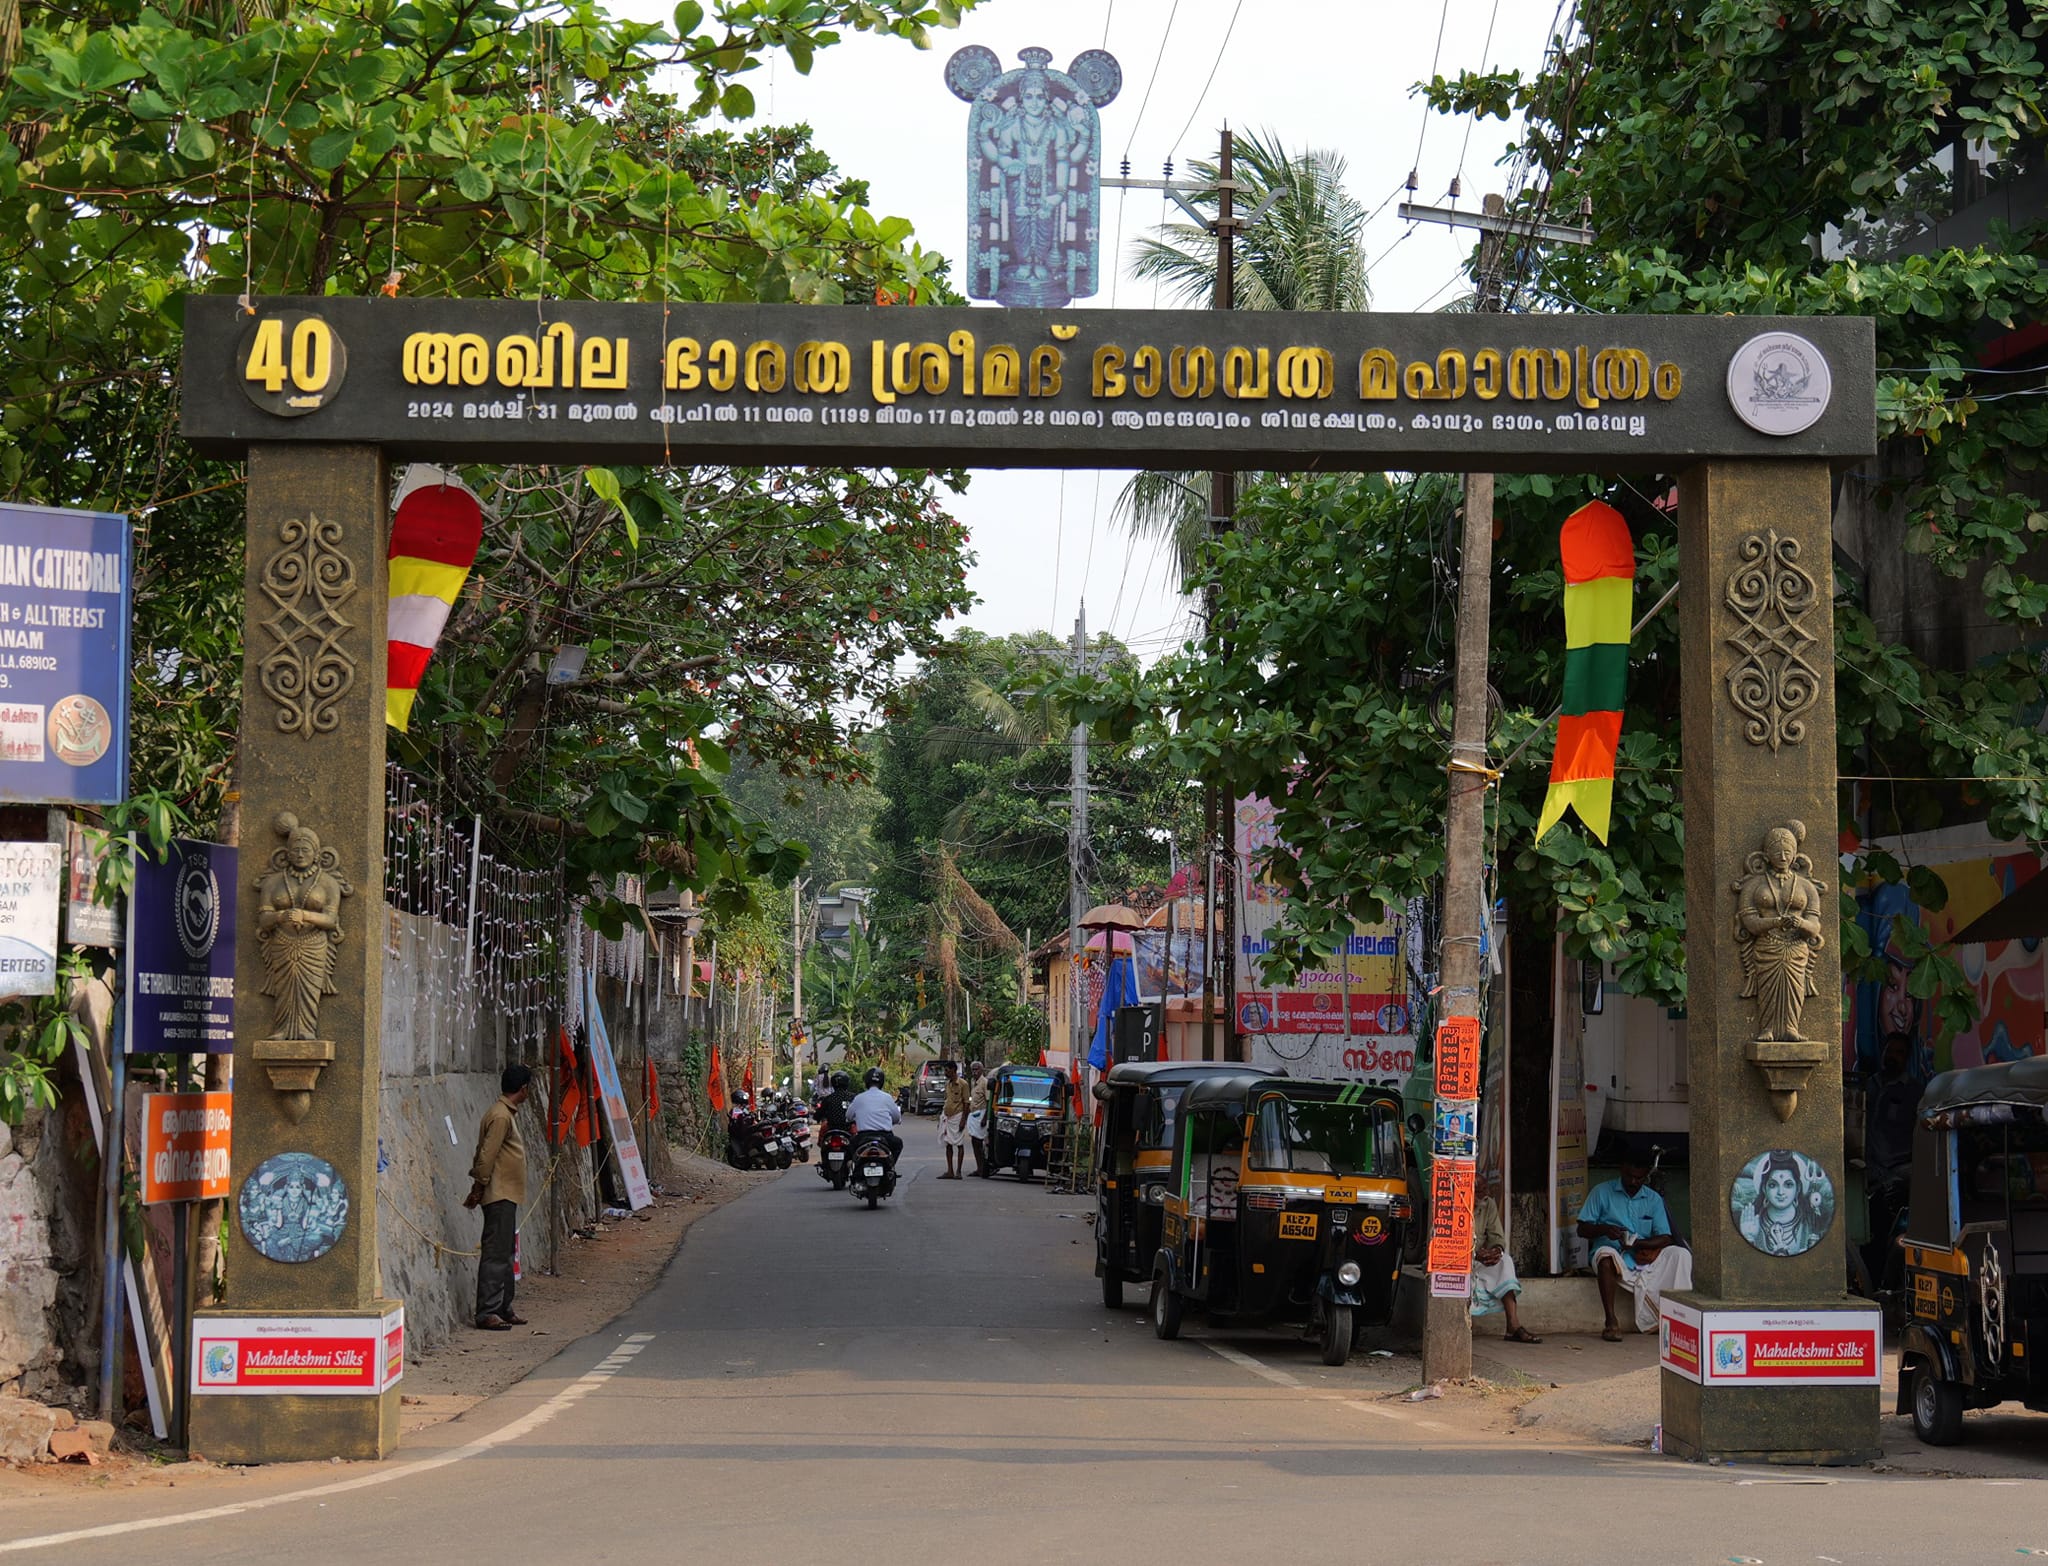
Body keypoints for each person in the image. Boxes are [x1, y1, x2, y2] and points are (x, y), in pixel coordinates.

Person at [1578, 1155, 1692, 1340]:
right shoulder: (1601, 1192)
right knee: (1606, 1258)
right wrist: (1605, 1229)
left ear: (1646, 1176)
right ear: (1622, 1170)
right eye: (1629, 1176)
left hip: (1643, 1256)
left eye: (1638, 1178)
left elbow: (1665, 1236)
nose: (1633, 1181)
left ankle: (1681, 1318)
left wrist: (1643, 1246)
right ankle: (1611, 1322)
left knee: (1681, 1254)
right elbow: (1582, 1229)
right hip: (1612, 1251)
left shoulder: (1653, 1198)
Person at [467, 1064, 531, 1331]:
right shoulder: (502, 1116)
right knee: (495, 1253)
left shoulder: (504, 1113)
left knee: (506, 1252)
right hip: (498, 1193)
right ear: (523, 1089)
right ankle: (488, 1311)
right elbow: (486, 1155)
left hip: (506, 1193)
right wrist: (479, 1185)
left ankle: (504, 1306)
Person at [1471, 1195, 1540, 1343]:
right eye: (1480, 1192)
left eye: (1486, 1191)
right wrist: (1475, 1255)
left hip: (1480, 1259)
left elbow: (1497, 1236)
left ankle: (1513, 1326)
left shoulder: (1488, 1203)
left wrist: (1495, 1251)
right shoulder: (1454, 1202)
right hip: (1459, 1259)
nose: (1485, 1195)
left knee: (1505, 1261)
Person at [1738, 1150, 1822, 1257]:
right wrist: (1749, 1238)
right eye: (1773, 1185)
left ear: (1798, 1189)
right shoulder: (1753, 1225)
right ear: (1764, 1188)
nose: (1780, 1192)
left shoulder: (1810, 1225)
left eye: (1788, 1185)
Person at [849, 1067, 904, 1158]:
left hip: (863, 1137)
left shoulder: (859, 1098)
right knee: (898, 1144)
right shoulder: (887, 1097)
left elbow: (848, 1116)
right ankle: (890, 1167)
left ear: (866, 1081)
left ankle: (854, 1168)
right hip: (885, 1137)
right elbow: (897, 1118)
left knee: (850, 1146)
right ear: (882, 1082)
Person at [938, 1060, 970, 1179]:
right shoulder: (948, 1084)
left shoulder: (963, 1084)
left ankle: (958, 1171)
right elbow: (947, 1101)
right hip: (947, 1116)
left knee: (959, 1144)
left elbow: (966, 1103)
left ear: (953, 1070)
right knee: (948, 1143)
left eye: (947, 1070)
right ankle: (950, 1170)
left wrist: (963, 1120)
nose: (945, 1073)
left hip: (958, 1115)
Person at [966, 1061, 990, 1177]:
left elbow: (988, 1100)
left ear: (982, 1070)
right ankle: (979, 1168)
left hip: (981, 1114)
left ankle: (982, 1168)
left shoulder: (984, 1082)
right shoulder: (973, 1082)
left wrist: (985, 1118)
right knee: (974, 1142)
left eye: (977, 1070)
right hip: (974, 1114)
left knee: (979, 1143)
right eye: (973, 1070)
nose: (975, 1072)